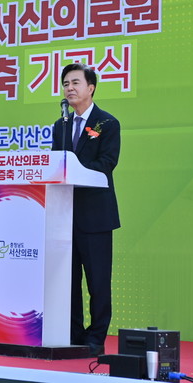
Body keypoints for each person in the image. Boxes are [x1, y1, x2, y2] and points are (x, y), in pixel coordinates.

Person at [51, 63, 121, 356]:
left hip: (95, 216)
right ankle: (73, 333)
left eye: (75, 82)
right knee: (68, 282)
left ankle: (96, 337)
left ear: (91, 88)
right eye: (66, 83)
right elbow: (55, 166)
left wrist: (74, 168)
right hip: (64, 215)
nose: (69, 88)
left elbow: (106, 164)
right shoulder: (60, 125)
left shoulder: (108, 123)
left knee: (98, 281)